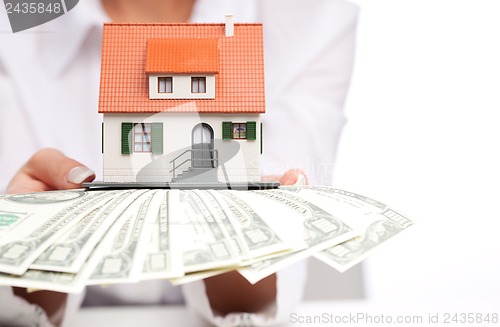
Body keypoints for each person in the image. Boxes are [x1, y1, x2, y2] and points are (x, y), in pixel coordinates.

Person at [0, 0, 358, 326]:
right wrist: (28, 250)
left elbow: (259, 296)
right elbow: (19, 300)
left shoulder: (313, 15)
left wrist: (246, 236)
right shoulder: (11, 24)